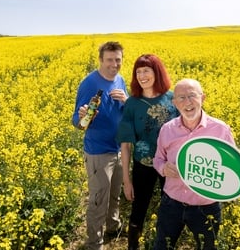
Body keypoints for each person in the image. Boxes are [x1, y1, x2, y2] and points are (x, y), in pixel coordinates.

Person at [152, 78, 240, 250]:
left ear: (202, 98)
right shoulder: (167, 129)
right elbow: (158, 159)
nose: (187, 102)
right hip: (171, 203)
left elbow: (231, 163)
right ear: (174, 103)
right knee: (162, 246)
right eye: (181, 97)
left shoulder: (220, 129)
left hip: (206, 207)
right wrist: (163, 168)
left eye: (192, 96)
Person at [116, 54, 179, 250]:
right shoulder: (132, 104)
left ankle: (165, 244)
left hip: (170, 165)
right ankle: (133, 246)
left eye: (146, 71)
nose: (142, 76)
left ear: (157, 72)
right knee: (139, 208)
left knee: (171, 207)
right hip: (143, 164)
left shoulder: (172, 98)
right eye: (138, 72)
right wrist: (126, 180)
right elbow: (125, 145)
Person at [72, 41, 128, 250]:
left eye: (118, 60)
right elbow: (77, 122)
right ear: (100, 60)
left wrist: (126, 100)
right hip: (99, 151)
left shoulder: (120, 80)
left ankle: (114, 226)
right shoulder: (89, 84)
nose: (114, 64)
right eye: (110, 60)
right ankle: (95, 243)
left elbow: (124, 113)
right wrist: (82, 117)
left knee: (115, 193)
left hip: (118, 148)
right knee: (98, 199)